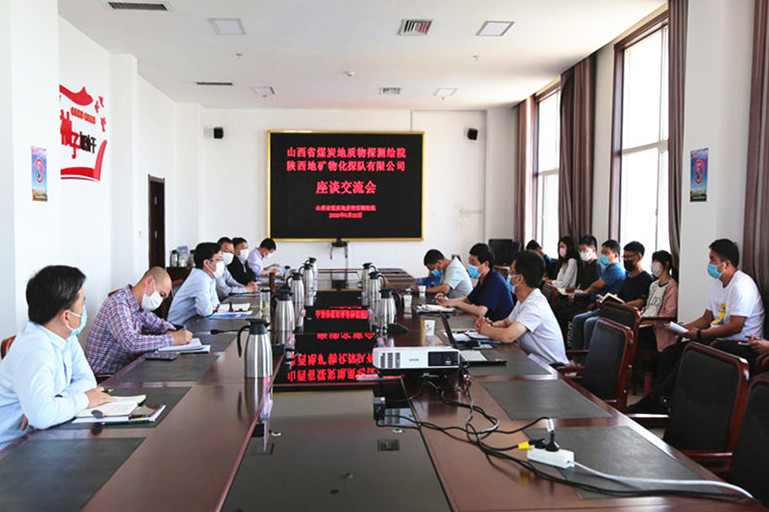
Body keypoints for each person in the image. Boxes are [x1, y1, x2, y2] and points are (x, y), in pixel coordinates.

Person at [629, 239, 765, 413]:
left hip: (740, 345)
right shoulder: (718, 284)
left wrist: (700, 334)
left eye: (712, 259)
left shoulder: (742, 285)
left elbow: (735, 326)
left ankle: (657, 402)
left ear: (726, 263)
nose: (709, 263)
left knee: (691, 353)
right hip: (717, 339)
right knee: (671, 353)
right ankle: (662, 402)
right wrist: (683, 329)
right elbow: (707, 318)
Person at [0, 266, 114, 451]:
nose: (83, 311)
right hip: (11, 451)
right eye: (82, 305)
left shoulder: (65, 336)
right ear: (66, 316)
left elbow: (87, 380)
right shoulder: (35, 348)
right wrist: (84, 399)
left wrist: (57, 402)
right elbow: (42, 416)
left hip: (41, 438)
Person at [86, 267, 193, 375]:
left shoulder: (139, 307)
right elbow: (132, 343)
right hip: (107, 376)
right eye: (161, 294)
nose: (160, 301)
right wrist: (173, 339)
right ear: (149, 281)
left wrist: (170, 331)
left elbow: (160, 324)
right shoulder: (118, 304)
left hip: (126, 371)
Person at [475, 250, 568, 368]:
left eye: (511, 272)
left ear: (519, 278)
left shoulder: (535, 305)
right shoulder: (524, 299)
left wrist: (485, 330)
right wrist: (491, 324)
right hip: (531, 360)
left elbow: (508, 336)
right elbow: (507, 322)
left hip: (549, 369)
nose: (508, 277)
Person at [571, 240, 652, 350]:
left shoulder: (645, 278)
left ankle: (587, 357)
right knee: (577, 319)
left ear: (639, 257)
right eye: (624, 257)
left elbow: (640, 302)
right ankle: (576, 355)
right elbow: (619, 295)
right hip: (614, 308)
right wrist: (605, 299)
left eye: (629, 257)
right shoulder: (628, 275)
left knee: (590, 323)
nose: (626, 260)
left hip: (626, 314)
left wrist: (621, 306)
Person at [435, 243, 514, 321]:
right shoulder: (483, 279)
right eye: (469, 261)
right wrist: (448, 301)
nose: (470, 265)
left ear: (485, 264)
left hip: (499, 325)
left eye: (473, 262)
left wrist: (457, 303)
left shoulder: (494, 280)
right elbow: (468, 300)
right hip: (485, 322)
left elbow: (481, 311)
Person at [168, 242, 223, 325]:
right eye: (218, 260)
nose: (221, 263)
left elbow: (216, 303)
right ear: (206, 263)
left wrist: (212, 306)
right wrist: (212, 307)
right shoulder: (200, 279)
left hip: (195, 322)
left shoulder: (210, 277)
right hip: (179, 327)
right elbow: (205, 311)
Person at [640, 250, 679, 352]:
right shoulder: (653, 285)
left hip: (656, 327)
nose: (653, 265)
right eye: (652, 262)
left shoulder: (672, 287)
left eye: (656, 262)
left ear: (666, 264)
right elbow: (649, 306)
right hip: (644, 323)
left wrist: (650, 320)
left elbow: (669, 314)